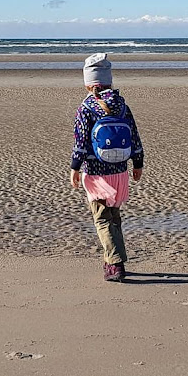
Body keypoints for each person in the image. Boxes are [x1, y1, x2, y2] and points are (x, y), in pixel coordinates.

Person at [70, 53, 144, 282]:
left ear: (88, 83)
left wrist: (75, 167)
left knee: (102, 219)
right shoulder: (122, 105)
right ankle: (112, 258)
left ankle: (115, 264)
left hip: (96, 173)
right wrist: (138, 163)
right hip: (120, 171)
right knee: (113, 217)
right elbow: (134, 136)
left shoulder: (87, 108)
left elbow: (80, 142)